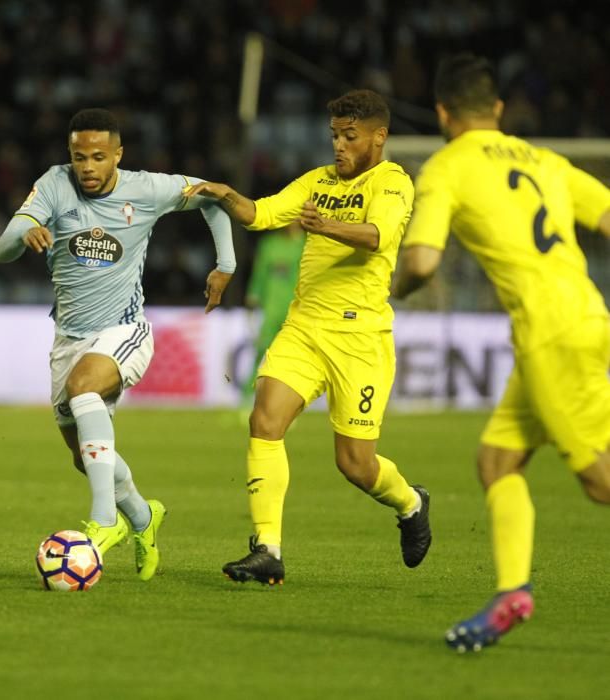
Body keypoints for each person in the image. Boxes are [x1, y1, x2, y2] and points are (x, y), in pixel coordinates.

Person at [392, 54, 610, 652]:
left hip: (550, 333)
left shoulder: (447, 167)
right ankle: (513, 593)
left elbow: (423, 260)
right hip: (583, 314)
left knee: (599, 480)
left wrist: (398, 289)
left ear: (441, 112)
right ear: (498, 110)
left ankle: (514, 591)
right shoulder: (546, 160)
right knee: (496, 463)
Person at [184, 89, 432, 585]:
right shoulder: (316, 182)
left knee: (356, 464)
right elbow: (262, 214)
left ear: (378, 137)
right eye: (335, 136)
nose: (339, 145)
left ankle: (410, 502)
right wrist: (224, 193)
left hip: (360, 339)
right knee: (265, 420)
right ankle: (268, 549)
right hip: (304, 329)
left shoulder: (392, 182)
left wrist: (329, 224)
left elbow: (379, 237)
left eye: (350, 137)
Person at [0, 108, 236, 581]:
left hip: (125, 331)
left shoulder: (146, 189)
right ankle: (143, 518)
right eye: (79, 156)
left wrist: (224, 264)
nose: (87, 166)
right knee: (83, 455)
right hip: (68, 337)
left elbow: (212, 196)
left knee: (85, 389)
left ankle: (104, 522)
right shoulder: (54, 184)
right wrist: (26, 233)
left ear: (118, 155)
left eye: (99, 157)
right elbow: (1, 249)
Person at [241, 223, 304, 410]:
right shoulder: (269, 244)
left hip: (295, 308)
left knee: (293, 359)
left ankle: (287, 406)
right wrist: (253, 294)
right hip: (271, 306)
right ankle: (246, 400)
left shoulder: (306, 244)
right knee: (261, 351)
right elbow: (260, 272)